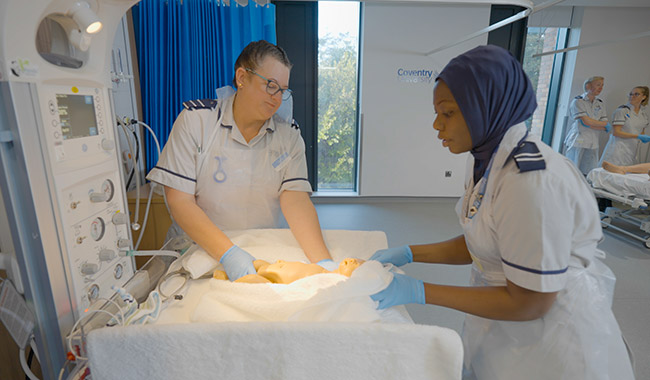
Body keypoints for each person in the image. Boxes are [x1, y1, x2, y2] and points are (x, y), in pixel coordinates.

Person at [369, 45, 633, 379]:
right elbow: (485, 239)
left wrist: (419, 291)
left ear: (485, 106)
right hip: (504, 326)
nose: (436, 125)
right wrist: (409, 253)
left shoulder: (531, 180)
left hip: (552, 340)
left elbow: (531, 302)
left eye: (447, 113)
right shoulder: (486, 159)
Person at [147, 40, 332, 281]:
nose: (277, 98)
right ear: (242, 77)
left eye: (283, 90)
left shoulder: (288, 135)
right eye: (271, 86)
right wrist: (229, 254)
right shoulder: (197, 122)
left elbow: (295, 199)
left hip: (255, 250)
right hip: (196, 249)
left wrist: (324, 262)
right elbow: (180, 200)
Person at [564, 76, 611, 175]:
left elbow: (604, 123)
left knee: (589, 172)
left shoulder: (600, 104)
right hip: (579, 140)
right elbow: (586, 121)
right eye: (598, 85)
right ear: (588, 86)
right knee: (572, 170)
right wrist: (595, 123)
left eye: (602, 85)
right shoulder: (578, 101)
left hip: (593, 141)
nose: (601, 88)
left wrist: (592, 123)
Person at [599, 86, 650, 166]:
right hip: (618, 149)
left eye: (636, 94)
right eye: (631, 94)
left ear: (644, 97)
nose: (632, 96)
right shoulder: (622, 111)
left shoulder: (643, 116)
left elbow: (641, 132)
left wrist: (643, 137)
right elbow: (616, 132)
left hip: (632, 150)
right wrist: (638, 136)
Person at [213, 258, 365, 284]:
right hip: (276, 266)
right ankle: (232, 272)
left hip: (276, 281)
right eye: (355, 260)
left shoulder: (330, 283)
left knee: (252, 279)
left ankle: (228, 279)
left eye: (356, 265)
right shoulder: (326, 270)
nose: (353, 261)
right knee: (257, 263)